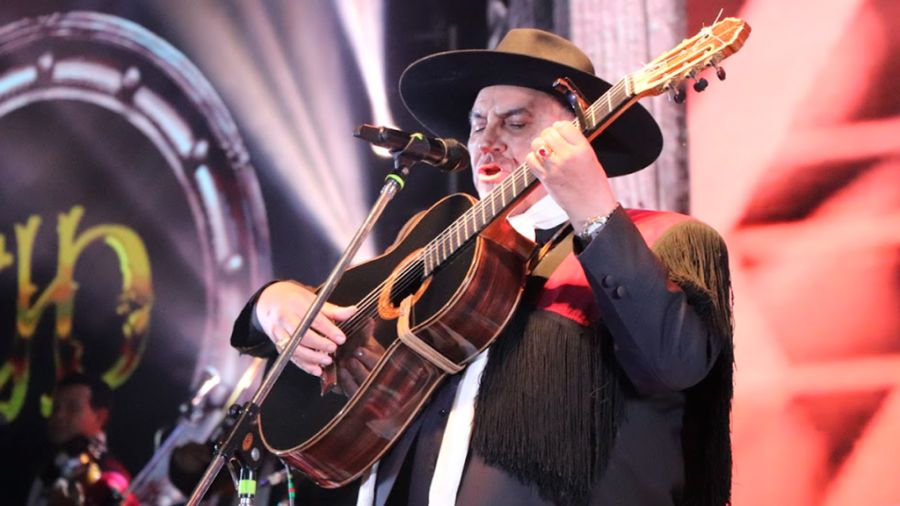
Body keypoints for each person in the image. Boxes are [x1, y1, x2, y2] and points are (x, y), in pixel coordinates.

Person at [231, 28, 734, 506]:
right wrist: (273, 305)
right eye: (477, 123)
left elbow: (677, 361)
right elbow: (316, 312)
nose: (487, 139)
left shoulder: (665, 238)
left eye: (515, 122)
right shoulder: (440, 248)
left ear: (584, 135)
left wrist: (595, 212)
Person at [27, 372, 135, 506]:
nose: (59, 416)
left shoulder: (112, 478)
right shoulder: (50, 469)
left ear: (100, 417)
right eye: (55, 408)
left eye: (73, 408)